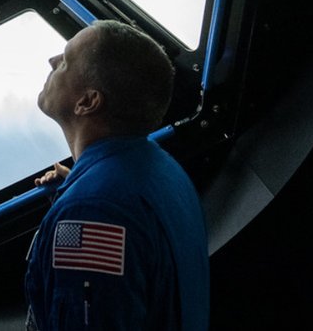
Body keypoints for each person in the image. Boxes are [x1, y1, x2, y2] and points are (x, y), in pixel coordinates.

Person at [24, 20, 209, 331]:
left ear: (87, 102)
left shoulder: (92, 211)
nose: (52, 61)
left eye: (66, 60)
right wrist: (80, 184)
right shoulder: (163, 170)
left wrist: (84, 202)